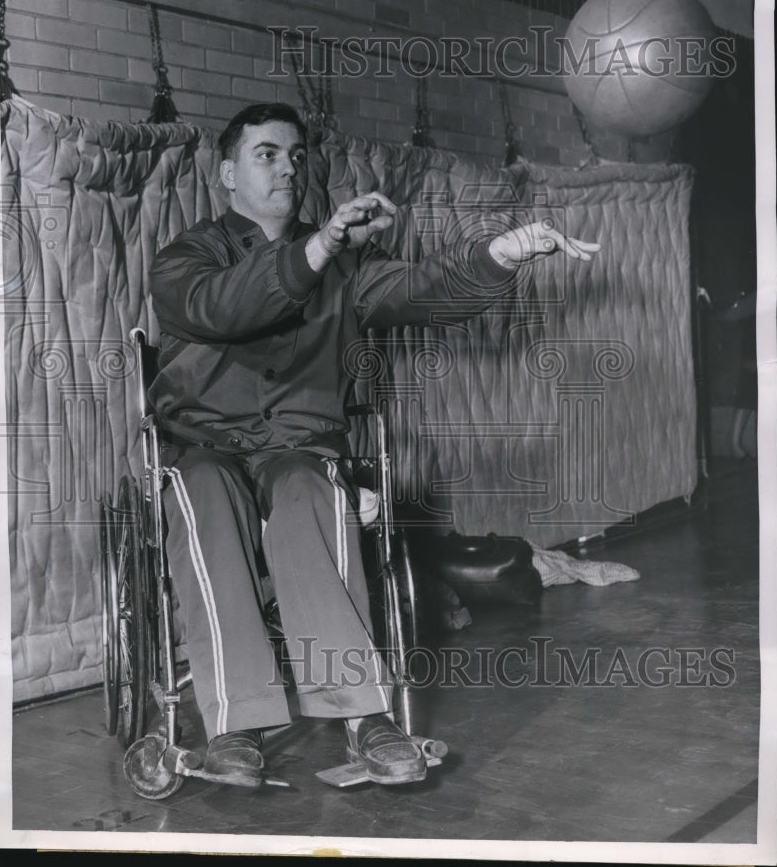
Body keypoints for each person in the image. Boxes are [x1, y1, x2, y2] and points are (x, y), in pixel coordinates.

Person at [148, 101, 600, 787]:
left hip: (296, 448)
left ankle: (364, 716)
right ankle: (236, 726)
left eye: (297, 156)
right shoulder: (188, 256)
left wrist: (496, 256)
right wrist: (320, 247)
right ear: (227, 173)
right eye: (266, 154)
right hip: (204, 445)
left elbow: (423, 289)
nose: (287, 169)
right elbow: (226, 306)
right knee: (203, 489)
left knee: (310, 488)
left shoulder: (345, 263)